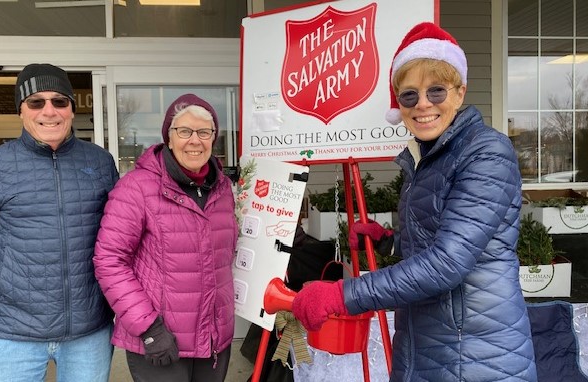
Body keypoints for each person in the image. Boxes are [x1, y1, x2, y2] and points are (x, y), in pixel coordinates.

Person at [292, 22, 538, 381]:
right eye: (409, 95)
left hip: (476, 356)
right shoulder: (426, 157)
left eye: (436, 91)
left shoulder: (486, 152)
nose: (422, 105)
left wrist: (341, 295)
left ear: (459, 91)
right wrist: (388, 240)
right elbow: (438, 237)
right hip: (427, 345)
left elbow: (447, 263)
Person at [0, 63, 119, 381]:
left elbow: (120, 239)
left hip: (88, 330)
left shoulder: (100, 162)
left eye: (60, 101)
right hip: (12, 331)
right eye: (37, 102)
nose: (50, 111)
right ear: (21, 110)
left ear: (72, 109)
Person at [93, 93, 238, 382]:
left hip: (213, 342)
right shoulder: (136, 188)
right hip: (160, 342)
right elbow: (109, 261)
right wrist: (149, 329)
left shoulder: (222, 189)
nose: (194, 140)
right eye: (184, 131)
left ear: (213, 138)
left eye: (204, 132)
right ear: (168, 138)